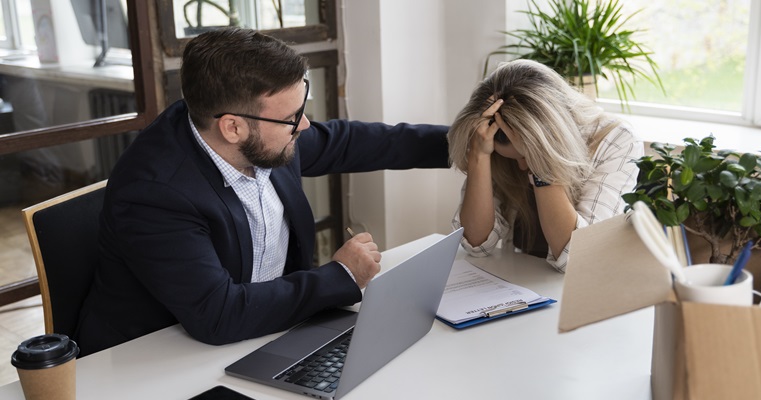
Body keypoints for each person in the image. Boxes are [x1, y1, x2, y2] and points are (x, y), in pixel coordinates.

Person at [74, 28, 449, 356]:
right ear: (232, 128)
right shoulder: (155, 192)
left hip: (264, 334)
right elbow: (217, 315)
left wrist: (463, 142)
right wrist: (341, 275)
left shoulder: (263, 133)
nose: (303, 125)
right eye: (290, 118)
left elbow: (350, 142)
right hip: (148, 365)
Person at [448, 59, 643, 272]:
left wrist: (541, 160)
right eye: (515, 158)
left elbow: (576, 258)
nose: (523, 167)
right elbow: (477, 244)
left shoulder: (616, 140)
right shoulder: (491, 143)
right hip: (523, 278)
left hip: (585, 290)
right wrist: (479, 156)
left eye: (525, 157)